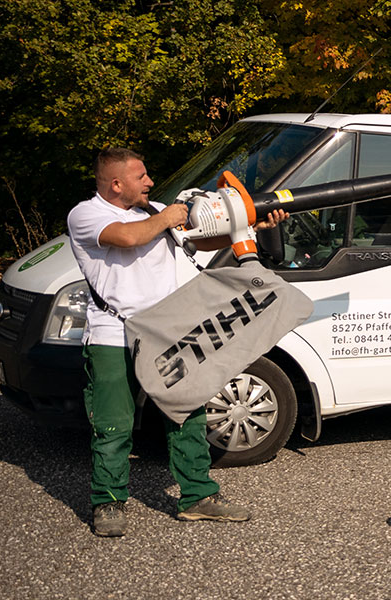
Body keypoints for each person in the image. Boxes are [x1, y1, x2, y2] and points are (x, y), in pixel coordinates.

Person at [68, 147, 285, 537]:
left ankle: (197, 497)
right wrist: (169, 215)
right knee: (114, 424)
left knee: (186, 414)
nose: (150, 182)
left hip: (167, 333)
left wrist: (252, 225)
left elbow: (201, 241)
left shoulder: (154, 211)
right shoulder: (87, 215)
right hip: (112, 335)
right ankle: (108, 502)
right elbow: (128, 238)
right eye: (141, 176)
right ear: (117, 184)